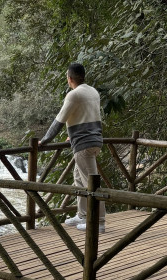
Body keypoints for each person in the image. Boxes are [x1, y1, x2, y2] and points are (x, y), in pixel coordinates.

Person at [38, 63, 105, 233]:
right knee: (79, 178)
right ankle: (82, 215)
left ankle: (99, 222)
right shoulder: (93, 91)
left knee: (92, 183)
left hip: (83, 145)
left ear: (69, 78)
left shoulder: (73, 95)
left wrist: (44, 141)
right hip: (94, 140)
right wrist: (73, 135)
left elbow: (58, 122)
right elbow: (86, 115)